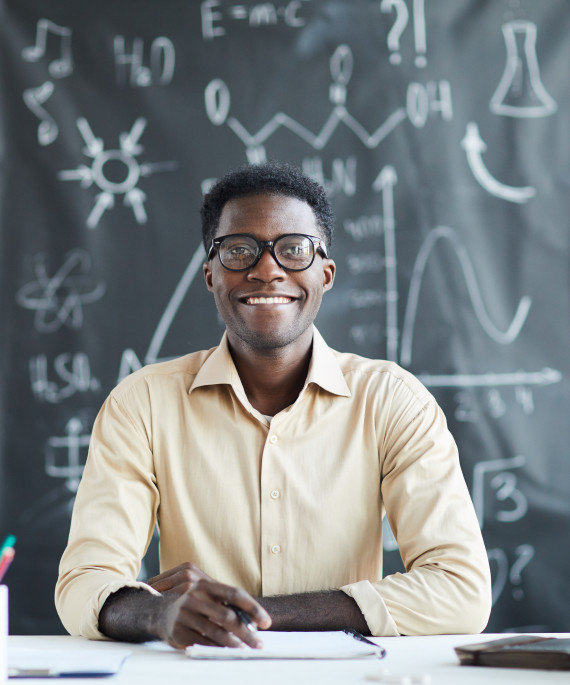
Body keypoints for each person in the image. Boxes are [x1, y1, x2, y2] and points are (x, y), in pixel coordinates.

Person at [55, 161, 492, 650]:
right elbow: (84, 584)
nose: (267, 269)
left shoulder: (392, 401)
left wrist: (242, 615)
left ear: (325, 274)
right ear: (210, 275)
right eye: (239, 250)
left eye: (294, 250)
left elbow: (462, 591)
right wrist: (160, 612)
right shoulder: (142, 404)